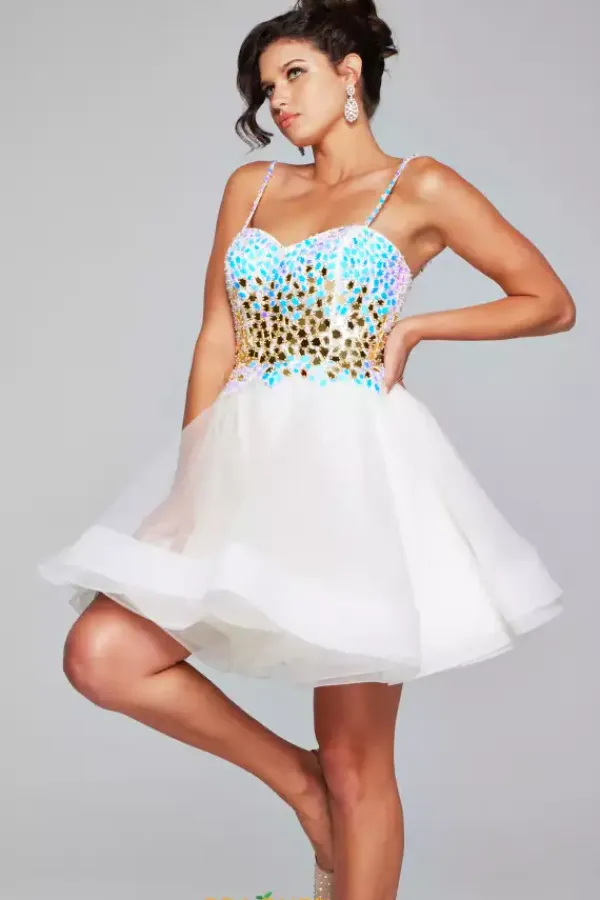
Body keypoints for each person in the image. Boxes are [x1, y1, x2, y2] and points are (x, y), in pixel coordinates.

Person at [37, 1, 576, 898]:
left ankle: (332, 800)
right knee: (102, 652)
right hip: (243, 468)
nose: (278, 101)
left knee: (359, 764)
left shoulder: (420, 187)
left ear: (349, 73)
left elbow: (549, 301)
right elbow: (217, 334)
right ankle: (298, 783)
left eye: (294, 75)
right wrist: (192, 480)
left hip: (353, 479)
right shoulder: (250, 187)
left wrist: (417, 329)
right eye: (266, 88)